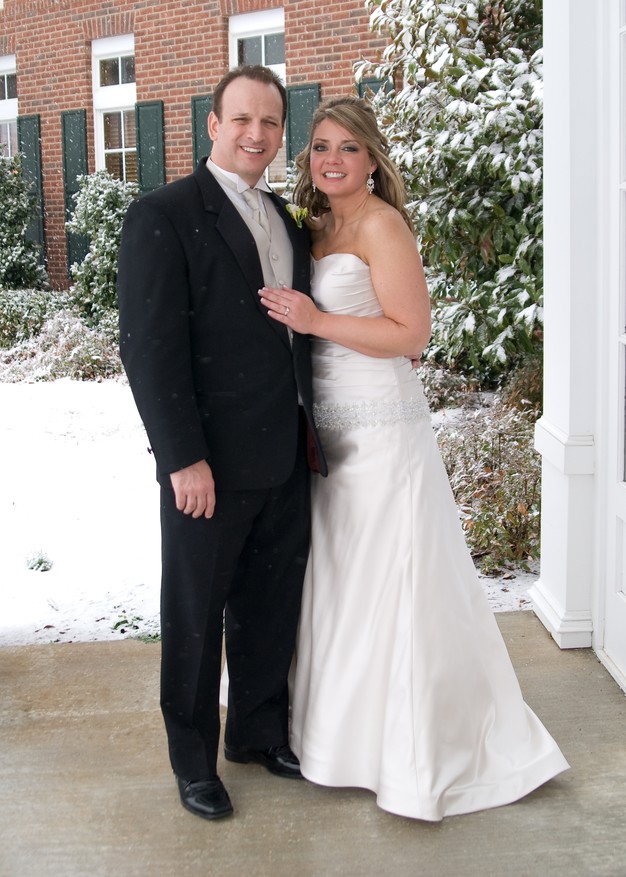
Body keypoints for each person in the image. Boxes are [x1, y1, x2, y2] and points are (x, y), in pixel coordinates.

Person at [258, 95, 569, 821]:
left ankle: (411, 750)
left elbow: (411, 335)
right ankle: (335, 735)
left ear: (372, 158)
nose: (332, 159)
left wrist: (317, 318)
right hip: (326, 425)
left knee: (391, 576)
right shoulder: (314, 225)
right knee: (339, 578)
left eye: (348, 147)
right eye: (321, 146)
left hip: (382, 428)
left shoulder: (382, 224)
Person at [117, 65, 326, 822]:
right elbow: (149, 349)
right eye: (241, 119)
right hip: (208, 463)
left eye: (269, 122)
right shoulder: (163, 214)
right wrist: (182, 458)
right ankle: (193, 762)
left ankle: (257, 733)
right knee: (197, 619)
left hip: (286, 454)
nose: (255, 134)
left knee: (270, 606)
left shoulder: (287, 219)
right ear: (213, 124)